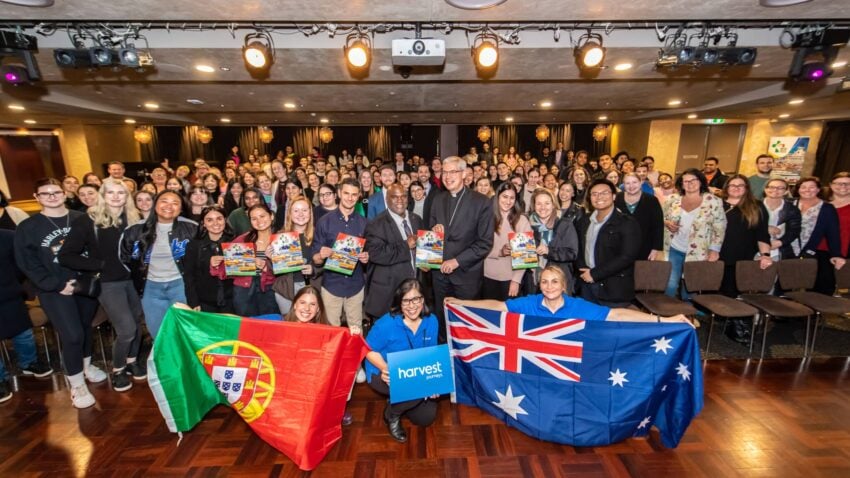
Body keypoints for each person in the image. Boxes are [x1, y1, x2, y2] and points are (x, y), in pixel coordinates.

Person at [14, 178, 106, 409]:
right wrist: (56, 285)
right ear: (37, 197)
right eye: (45, 194)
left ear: (64, 194)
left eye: (56, 192)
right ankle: (76, 384)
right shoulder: (29, 227)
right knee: (72, 335)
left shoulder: (81, 218)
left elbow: (95, 250)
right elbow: (27, 263)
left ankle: (86, 366)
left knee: (85, 328)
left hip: (84, 285)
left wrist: (91, 277)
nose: (52, 197)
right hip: (54, 289)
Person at [58, 178, 146, 392]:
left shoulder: (134, 219)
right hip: (108, 283)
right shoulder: (88, 220)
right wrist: (100, 265)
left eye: (121, 193)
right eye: (111, 193)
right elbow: (66, 255)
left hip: (134, 281)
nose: (116, 197)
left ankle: (132, 360)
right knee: (126, 329)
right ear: (102, 196)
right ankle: (118, 370)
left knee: (137, 323)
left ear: (127, 197)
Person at [447, 266, 693, 323]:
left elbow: (618, 314)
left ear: (564, 286)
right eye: (544, 282)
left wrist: (664, 320)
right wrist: (460, 302)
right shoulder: (530, 303)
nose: (549, 286)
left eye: (555, 282)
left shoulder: (578, 306)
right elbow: (498, 306)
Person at [365, 279, 440, 443]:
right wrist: (385, 368)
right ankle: (392, 414)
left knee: (426, 418)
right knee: (411, 388)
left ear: (423, 300)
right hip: (383, 372)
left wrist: (434, 381)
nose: (412, 306)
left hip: (414, 371)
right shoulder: (386, 323)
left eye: (416, 299)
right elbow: (367, 349)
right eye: (406, 300)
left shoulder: (432, 321)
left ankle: (399, 400)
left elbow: (431, 354)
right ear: (399, 302)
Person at [429, 156, 495, 341]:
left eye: (453, 172)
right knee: (442, 321)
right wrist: (435, 232)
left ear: (464, 173)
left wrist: (457, 261)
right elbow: (432, 232)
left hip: (467, 276)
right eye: (444, 172)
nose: (447, 176)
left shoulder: (482, 202)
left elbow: (484, 243)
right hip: (440, 275)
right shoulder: (437, 199)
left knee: (466, 323)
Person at [120, 190, 198, 339]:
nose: (169, 206)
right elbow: (125, 257)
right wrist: (140, 274)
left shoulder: (192, 228)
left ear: (181, 208)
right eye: (164, 201)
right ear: (155, 204)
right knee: (158, 332)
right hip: (150, 288)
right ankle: (162, 361)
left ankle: (182, 362)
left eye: (175, 203)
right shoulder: (135, 230)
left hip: (181, 286)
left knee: (185, 331)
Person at [0, 229, 53, 403]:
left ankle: (29, 363)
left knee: (23, 332)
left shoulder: (9, 237)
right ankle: (1, 379)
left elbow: (20, 265)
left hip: (9, 292)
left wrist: (11, 282)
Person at [720, 174, 773, 343]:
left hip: (743, 258)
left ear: (747, 188)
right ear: (726, 187)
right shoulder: (717, 204)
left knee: (737, 292)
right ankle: (726, 321)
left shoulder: (756, 206)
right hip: (717, 256)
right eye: (732, 185)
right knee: (722, 292)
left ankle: (737, 328)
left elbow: (762, 234)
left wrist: (765, 255)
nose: (736, 188)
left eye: (740, 185)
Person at [313, 179, 369, 334]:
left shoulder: (364, 223)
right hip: (331, 286)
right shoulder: (324, 222)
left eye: (354, 194)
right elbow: (315, 258)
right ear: (338, 193)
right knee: (331, 333)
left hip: (355, 286)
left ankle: (356, 359)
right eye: (346, 193)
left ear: (359, 197)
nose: (350, 198)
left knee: (356, 332)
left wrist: (366, 258)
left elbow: (370, 255)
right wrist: (321, 255)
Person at [576, 179, 641, 307]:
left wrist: (595, 274)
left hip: (614, 289)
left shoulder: (627, 222)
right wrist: (582, 271)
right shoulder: (584, 221)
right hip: (586, 285)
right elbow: (579, 249)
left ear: (614, 196)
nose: (599, 197)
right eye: (594, 194)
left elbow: (627, 256)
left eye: (604, 193)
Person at [662, 169, 727, 298]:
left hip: (699, 251)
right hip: (674, 247)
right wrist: (667, 222)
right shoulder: (672, 199)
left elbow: (720, 226)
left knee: (690, 287)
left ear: (701, 182)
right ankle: (668, 315)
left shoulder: (713, 201)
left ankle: (688, 315)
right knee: (670, 284)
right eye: (685, 181)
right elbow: (660, 217)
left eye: (693, 180)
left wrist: (714, 249)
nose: (689, 184)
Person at [364, 184, 424, 319]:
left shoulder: (417, 220)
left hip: (414, 292)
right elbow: (376, 254)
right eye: (394, 197)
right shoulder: (376, 224)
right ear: (387, 199)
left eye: (403, 196)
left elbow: (422, 250)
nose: (400, 200)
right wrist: (405, 245)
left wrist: (425, 263)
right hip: (389, 295)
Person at [212, 204, 279, 316]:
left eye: (262, 216)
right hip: (244, 289)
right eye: (254, 218)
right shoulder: (242, 240)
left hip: (270, 289)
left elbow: (289, 272)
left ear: (271, 216)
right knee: (246, 327)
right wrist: (216, 264)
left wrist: (268, 265)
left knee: (270, 325)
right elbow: (227, 268)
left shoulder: (282, 239)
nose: (259, 221)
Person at [794, 177, 846, 294]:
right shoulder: (790, 204)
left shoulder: (827, 208)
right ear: (798, 189)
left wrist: (836, 254)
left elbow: (833, 233)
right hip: (788, 249)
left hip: (811, 251)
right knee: (787, 282)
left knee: (815, 285)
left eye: (812, 187)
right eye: (804, 187)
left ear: (818, 190)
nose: (807, 190)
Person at [483, 182, 532, 301]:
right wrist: (499, 252)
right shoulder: (485, 217)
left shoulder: (522, 220)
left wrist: (516, 280)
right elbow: (478, 246)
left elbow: (525, 256)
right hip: (486, 276)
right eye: (505, 196)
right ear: (497, 197)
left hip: (510, 279)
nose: (508, 201)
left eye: (512, 198)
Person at [272, 198, 318, 314]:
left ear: (310, 213)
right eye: (296, 211)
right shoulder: (280, 237)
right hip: (286, 290)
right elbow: (274, 269)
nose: (301, 214)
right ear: (290, 214)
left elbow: (328, 263)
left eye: (304, 210)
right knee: (289, 327)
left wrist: (314, 269)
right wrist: (270, 258)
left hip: (312, 288)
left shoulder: (319, 235)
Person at [184, 205, 234, 313]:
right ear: (203, 223)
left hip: (232, 301)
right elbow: (189, 277)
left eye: (219, 219)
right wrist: (193, 302)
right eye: (209, 220)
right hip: (204, 302)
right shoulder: (193, 245)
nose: (215, 223)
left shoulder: (236, 243)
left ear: (225, 220)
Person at [615, 173, 664, 261]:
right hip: (620, 248)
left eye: (634, 182)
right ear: (623, 185)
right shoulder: (617, 199)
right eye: (627, 183)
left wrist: (656, 248)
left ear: (641, 182)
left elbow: (658, 226)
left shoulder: (652, 200)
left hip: (645, 248)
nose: (631, 186)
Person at [762, 178, 801, 261]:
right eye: (771, 187)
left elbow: (794, 231)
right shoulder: (754, 206)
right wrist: (765, 228)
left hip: (778, 250)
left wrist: (779, 243)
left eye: (780, 188)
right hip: (754, 249)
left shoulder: (792, 209)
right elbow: (743, 226)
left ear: (786, 191)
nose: (775, 190)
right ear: (765, 189)